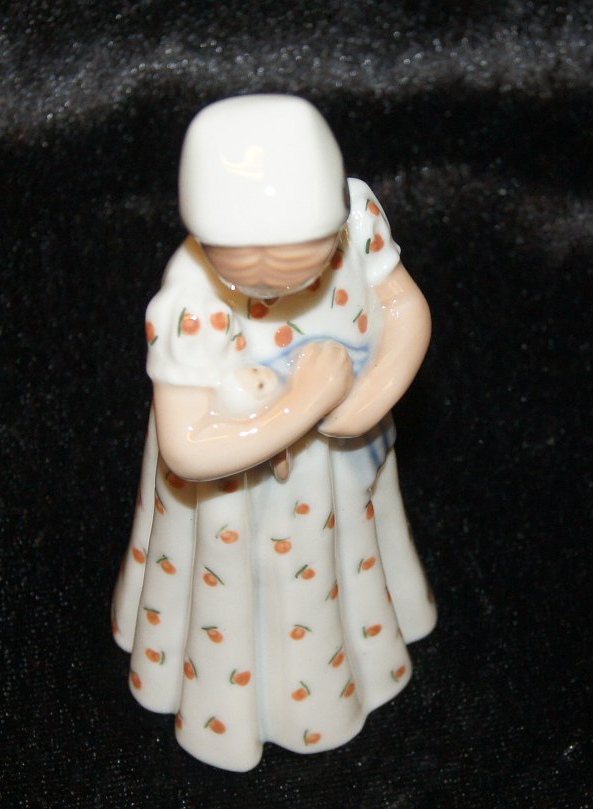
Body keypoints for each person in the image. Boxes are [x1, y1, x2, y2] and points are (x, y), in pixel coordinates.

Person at [111, 95, 435, 771]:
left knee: (350, 562)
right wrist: (302, 405)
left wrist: (372, 393)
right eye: (246, 269)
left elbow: (404, 305)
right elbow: (187, 447)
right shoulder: (191, 302)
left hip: (343, 457)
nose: (274, 287)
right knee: (249, 597)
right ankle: (259, 703)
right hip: (236, 491)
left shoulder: (357, 221)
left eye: (301, 262)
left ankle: (365, 648)